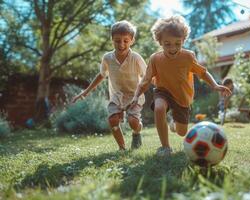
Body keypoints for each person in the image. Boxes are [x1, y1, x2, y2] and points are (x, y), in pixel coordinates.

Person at [129, 15, 231, 156]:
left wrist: (215, 85)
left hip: (182, 97)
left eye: (178, 43)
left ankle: (173, 123)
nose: (173, 48)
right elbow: (145, 80)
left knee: (182, 132)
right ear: (159, 41)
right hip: (162, 91)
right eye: (167, 44)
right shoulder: (155, 59)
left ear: (184, 40)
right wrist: (136, 96)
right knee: (159, 108)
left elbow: (202, 73)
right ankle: (165, 147)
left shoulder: (188, 57)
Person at [72, 21, 146, 151]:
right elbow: (101, 75)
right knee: (112, 120)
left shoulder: (136, 58)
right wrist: (86, 91)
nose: (121, 44)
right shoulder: (107, 58)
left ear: (132, 41)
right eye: (117, 40)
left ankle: (137, 132)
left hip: (134, 95)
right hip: (117, 95)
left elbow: (147, 77)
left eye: (125, 41)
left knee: (133, 123)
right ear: (112, 39)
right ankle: (122, 148)